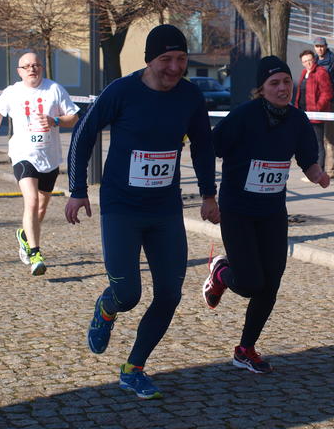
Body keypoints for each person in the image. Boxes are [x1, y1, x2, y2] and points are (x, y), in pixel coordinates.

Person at [65, 24, 219, 400]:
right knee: (127, 293)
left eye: (181, 59)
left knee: (169, 294)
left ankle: (133, 368)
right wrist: (77, 190)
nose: (174, 67)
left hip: (165, 210)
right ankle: (107, 308)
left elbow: (202, 145)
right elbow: (84, 134)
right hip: (121, 208)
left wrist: (208, 195)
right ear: (149, 60)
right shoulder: (122, 91)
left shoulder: (190, 96)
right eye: (166, 59)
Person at [202, 56, 330, 374]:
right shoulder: (243, 116)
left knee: (271, 282)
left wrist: (318, 175)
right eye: (274, 83)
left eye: (286, 81)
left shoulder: (297, 120)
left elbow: (307, 160)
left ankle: (245, 350)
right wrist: (209, 197)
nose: (283, 88)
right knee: (249, 283)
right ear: (261, 89)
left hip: (272, 211)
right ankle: (220, 273)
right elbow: (209, 148)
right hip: (237, 209)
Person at [0, 52, 79, 276]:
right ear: (19, 71)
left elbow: (73, 117)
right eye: (26, 66)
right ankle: (35, 254)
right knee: (32, 200)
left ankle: (25, 236)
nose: (31, 69)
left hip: (49, 157)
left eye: (35, 65)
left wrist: (55, 120)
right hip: (23, 154)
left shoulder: (54, 89)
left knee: (42, 207)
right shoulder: (12, 91)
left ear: (41, 68)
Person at [295, 49, 333, 182]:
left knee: (318, 143)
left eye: (310, 60)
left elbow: (327, 93)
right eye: (305, 61)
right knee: (307, 143)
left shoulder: (321, 72)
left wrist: (318, 108)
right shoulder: (304, 73)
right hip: (304, 114)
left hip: (316, 115)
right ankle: (311, 172)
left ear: (314, 60)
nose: (308, 63)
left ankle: (319, 173)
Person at [313, 36, 334, 178]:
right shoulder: (313, 62)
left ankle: (331, 171)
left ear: (326, 46)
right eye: (317, 46)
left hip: (329, 105)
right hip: (315, 106)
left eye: (322, 46)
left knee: (329, 138)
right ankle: (317, 170)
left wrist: (329, 98)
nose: (319, 49)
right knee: (316, 139)